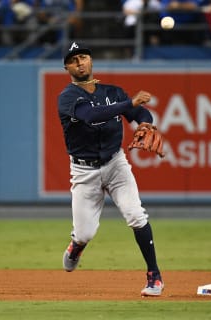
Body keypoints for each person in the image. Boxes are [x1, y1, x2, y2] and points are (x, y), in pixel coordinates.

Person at [58, 42, 164, 297]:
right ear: (67, 68)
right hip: (84, 172)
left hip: (116, 164)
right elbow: (92, 115)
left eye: (83, 57)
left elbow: (141, 113)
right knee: (85, 232)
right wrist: (129, 103)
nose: (80, 63)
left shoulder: (113, 92)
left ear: (91, 60)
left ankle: (154, 276)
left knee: (136, 215)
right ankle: (77, 245)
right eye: (74, 60)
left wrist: (145, 125)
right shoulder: (68, 97)